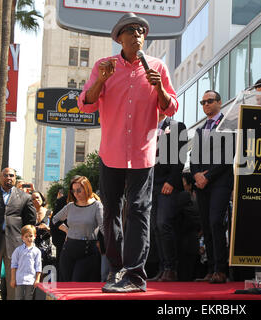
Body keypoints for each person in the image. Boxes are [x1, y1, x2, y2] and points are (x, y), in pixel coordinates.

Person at [77, 12, 178, 293]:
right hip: (111, 152)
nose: (138, 35)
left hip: (143, 153)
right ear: (119, 37)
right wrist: (101, 80)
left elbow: (171, 108)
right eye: (131, 30)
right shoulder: (104, 66)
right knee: (111, 213)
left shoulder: (157, 67)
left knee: (138, 210)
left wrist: (159, 87)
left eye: (142, 31)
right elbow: (85, 105)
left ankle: (135, 277)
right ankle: (115, 270)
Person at [190, 90, 234, 284]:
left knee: (216, 223)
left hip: (220, 182)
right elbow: (193, 158)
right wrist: (196, 175)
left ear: (219, 102)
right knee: (206, 226)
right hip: (202, 184)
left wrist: (207, 175)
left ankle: (221, 270)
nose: (206, 105)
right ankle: (210, 270)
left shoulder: (228, 124)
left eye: (209, 101)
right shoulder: (200, 129)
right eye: (203, 102)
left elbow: (228, 156)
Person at [0, 168, 36, 300]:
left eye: (11, 175)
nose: (8, 178)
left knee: (14, 280)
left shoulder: (25, 197)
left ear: (15, 178)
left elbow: (30, 222)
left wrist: (27, 243)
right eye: (5, 175)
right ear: (0, 177)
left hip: (16, 244)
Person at [149, 113, 187, 282]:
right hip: (149, 184)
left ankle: (171, 268)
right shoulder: (145, 126)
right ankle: (162, 268)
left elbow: (180, 156)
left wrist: (171, 181)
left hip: (167, 183)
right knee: (155, 227)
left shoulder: (178, 126)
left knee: (163, 223)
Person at [52, 176, 104, 282]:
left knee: (77, 282)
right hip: (68, 250)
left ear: (87, 189)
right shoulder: (70, 206)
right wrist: (67, 230)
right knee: (66, 284)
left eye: (79, 190)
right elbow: (55, 219)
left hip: (88, 251)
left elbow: (104, 228)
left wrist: (106, 244)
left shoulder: (97, 206)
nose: (76, 194)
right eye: (73, 191)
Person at [10, 225, 42, 300]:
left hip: (31, 280)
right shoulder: (18, 250)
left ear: (35, 236)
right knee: (18, 297)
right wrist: (13, 279)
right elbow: (13, 265)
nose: (28, 238)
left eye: (31, 236)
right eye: (26, 236)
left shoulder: (37, 251)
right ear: (22, 237)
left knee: (29, 297)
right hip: (19, 279)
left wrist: (37, 279)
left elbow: (38, 266)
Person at [31, 191, 54, 268]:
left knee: (45, 272)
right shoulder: (30, 214)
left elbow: (55, 232)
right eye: (33, 199)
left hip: (46, 249)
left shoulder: (49, 213)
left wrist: (47, 228)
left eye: (37, 197)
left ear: (42, 198)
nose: (36, 200)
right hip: (32, 248)